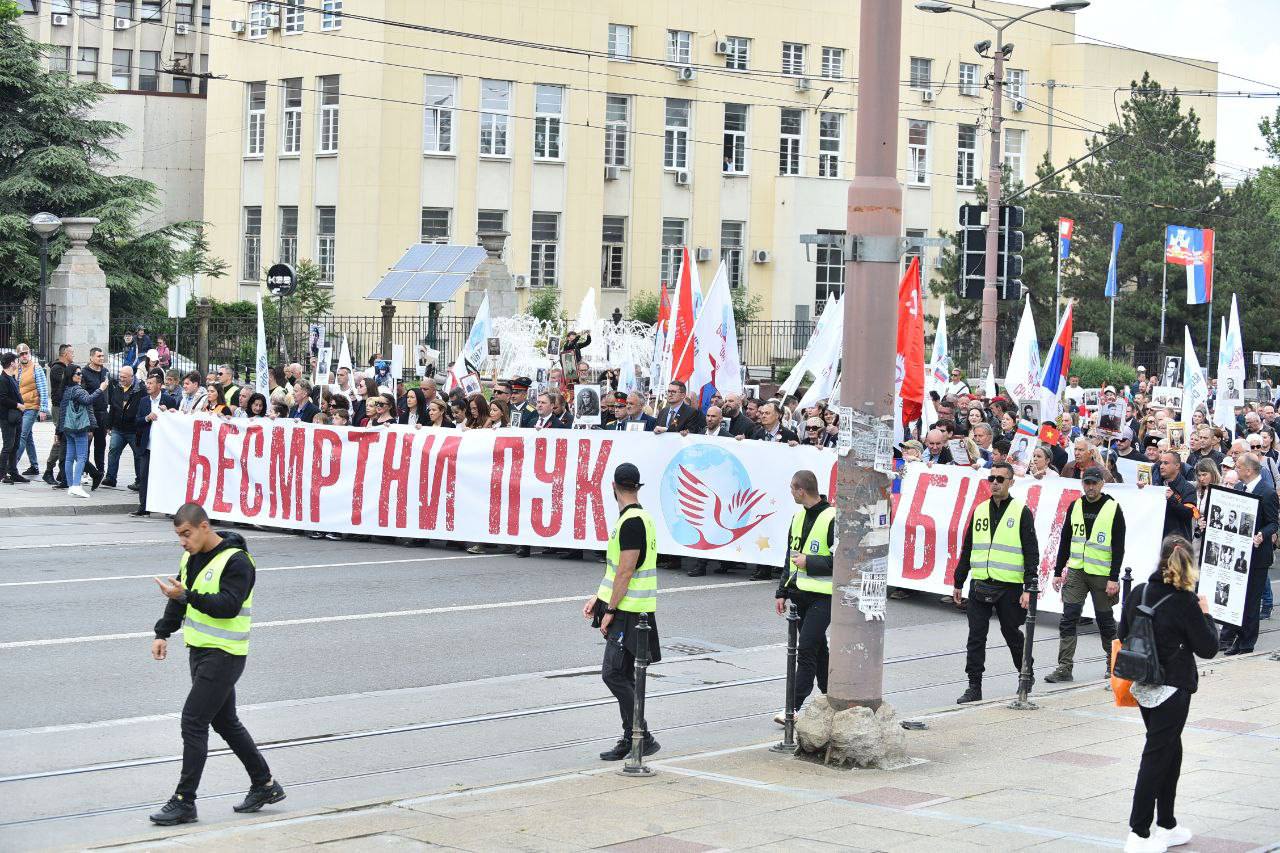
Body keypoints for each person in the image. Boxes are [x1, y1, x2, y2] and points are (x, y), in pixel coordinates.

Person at [149, 503, 285, 826]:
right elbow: (178, 597)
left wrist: (187, 597)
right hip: (199, 652)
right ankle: (265, 784)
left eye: (186, 534)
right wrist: (162, 632)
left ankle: (184, 801)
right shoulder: (190, 557)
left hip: (225, 654)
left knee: (192, 721)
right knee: (225, 722)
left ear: (204, 526)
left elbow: (227, 605)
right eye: (179, 536)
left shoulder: (238, 561)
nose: (182, 541)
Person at [1118, 536, 1218, 853]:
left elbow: (1122, 634)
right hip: (1173, 687)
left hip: (1143, 683)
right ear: (1189, 564)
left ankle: (1168, 824)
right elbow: (1208, 648)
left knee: (1170, 751)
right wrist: (1205, 613)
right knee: (1157, 755)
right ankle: (1138, 832)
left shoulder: (1139, 592)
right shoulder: (1186, 602)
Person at [583, 463, 660, 761]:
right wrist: (598, 598)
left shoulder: (631, 522)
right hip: (634, 609)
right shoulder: (640, 518)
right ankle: (632, 737)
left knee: (613, 674)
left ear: (613, 486)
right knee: (624, 674)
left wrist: (610, 610)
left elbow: (626, 572)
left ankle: (642, 734)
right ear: (637, 487)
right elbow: (616, 571)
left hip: (631, 611)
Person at [952, 461, 1038, 703]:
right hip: (980, 583)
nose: (995, 483)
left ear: (1011, 482)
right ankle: (974, 685)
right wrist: (958, 581)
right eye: (992, 479)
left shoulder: (1021, 512)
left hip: (1009, 586)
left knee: (1011, 633)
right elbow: (968, 548)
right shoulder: (979, 510)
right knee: (976, 636)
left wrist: (1029, 587)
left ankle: (1025, 673)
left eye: (1001, 479)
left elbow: (1032, 551)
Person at [1045, 467, 1124, 684]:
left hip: (1101, 574)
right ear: (1083, 484)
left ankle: (1114, 664)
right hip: (1077, 571)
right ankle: (1064, 667)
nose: (1090, 487)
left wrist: (1113, 578)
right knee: (1068, 618)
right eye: (1087, 483)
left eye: (1094, 483)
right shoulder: (1076, 505)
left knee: (1105, 621)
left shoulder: (1112, 508)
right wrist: (1058, 571)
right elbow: (1065, 539)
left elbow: (1119, 547)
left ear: (1101, 484)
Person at [772, 470, 834, 724]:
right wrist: (782, 591)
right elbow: (790, 556)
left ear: (801, 490)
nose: (791, 493)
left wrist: (811, 562)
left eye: (791, 489)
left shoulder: (832, 517)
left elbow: (841, 560)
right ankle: (832, 697)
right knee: (818, 649)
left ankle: (792, 707)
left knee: (806, 648)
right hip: (800, 594)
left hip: (823, 596)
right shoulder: (798, 517)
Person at [1217, 454, 1277, 655]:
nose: (1236, 468)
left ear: (1249, 470)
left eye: (1239, 466)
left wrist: (1262, 534)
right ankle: (1237, 638)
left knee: (1251, 600)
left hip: (1258, 556)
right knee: (1237, 599)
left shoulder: (1266, 492)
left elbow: (1273, 522)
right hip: (1239, 552)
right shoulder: (1241, 489)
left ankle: (1247, 643)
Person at [59, 364, 108, 498]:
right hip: (79, 427)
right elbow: (88, 400)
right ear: (71, 376)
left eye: (81, 373)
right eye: (78, 374)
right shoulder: (77, 390)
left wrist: (59, 430)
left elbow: (62, 412)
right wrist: (101, 389)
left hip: (68, 428)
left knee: (69, 457)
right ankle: (76, 485)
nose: (80, 376)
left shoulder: (66, 390)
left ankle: (70, 486)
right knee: (81, 457)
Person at [133, 371, 177, 518]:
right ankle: (143, 507)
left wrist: (169, 413)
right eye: (147, 383)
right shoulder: (144, 401)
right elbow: (137, 421)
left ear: (159, 385)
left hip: (163, 447)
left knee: (165, 476)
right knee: (144, 476)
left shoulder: (168, 400)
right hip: (147, 445)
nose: (148, 385)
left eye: (151, 383)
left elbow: (175, 420)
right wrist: (147, 418)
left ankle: (168, 508)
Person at [103, 365, 143, 489]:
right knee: (113, 451)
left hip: (133, 429)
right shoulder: (117, 388)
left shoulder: (140, 390)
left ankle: (140, 481)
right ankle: (110, 478)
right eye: (120, 376)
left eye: (124, 377)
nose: (121, 379)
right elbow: (113, 407)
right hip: (118, 428)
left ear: (132, 377)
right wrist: (108, 425)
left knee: (138, 455)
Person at [14, 344, 49, 477]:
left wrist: (43, 409)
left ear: (29, 353)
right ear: (18, 355)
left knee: (22, 435)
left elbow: (43, 389)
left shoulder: (36, 368)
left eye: (26, 353)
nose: (24, 355)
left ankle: (11, 465)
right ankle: (34, 466)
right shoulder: (17, 368)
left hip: (32, 407)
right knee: (28, 436)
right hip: (20, 407)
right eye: (21, 354)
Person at [44, 344, 74, 485]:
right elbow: (68, 381)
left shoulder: (66, 368)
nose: (73, 355)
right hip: (58, 407)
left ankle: (62, 472)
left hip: (66, 406)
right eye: (71, 353)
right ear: (64, 354)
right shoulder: (57, 368)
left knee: (65, 440)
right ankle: (49, 470)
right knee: (60, 439)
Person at [1154, 451, 1197, 540]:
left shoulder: (1188, 488)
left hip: (1178, 542)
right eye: (1160, 463)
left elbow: (1188, 513)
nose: (1161, 466)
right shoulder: (1156, 486)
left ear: (1177, 466)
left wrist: (1172, 499)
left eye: (1166, 463)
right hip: (1157, 540)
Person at [0, 353, 26, 484]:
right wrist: (18, 405)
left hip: (16, 417)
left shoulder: (12, 377)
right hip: (7, 418)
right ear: (11, 363)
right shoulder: (3, 379)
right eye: (16, 361)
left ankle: (14, 472)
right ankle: (2, 474)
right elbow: (2, 398)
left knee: (15, 446)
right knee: (8, 446)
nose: (18, 363)